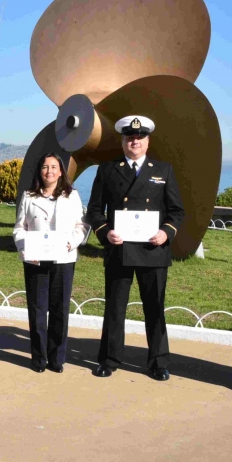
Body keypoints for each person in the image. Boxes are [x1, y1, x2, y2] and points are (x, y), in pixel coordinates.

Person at [85, 115, 184, 381]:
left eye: (139, 137)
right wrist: (106, 233)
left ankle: (158, 362)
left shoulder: (163, 170)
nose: (135, 141)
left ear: (148, 141)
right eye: (130, 137)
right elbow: (94, 210)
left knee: (155, 308)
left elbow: (176, 211)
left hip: (154, 250)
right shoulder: (107, 169)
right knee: (115, 308)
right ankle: (109, 358)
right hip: (120, 248)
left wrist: (166, 232)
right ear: (123, 141)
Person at [13, 153, 88, 373]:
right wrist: (25, 248)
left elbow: (80, 226)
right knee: (37, 309)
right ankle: (38, 357)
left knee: (60, 309)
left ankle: (57, 357)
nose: (49, 171)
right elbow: (19, 228)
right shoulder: (28, 196)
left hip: (63, 259)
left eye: (54, 167)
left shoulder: (71, 195)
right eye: (45, 167)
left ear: (61, 171)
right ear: (39, 170)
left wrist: (70, 243)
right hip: (35, 259)